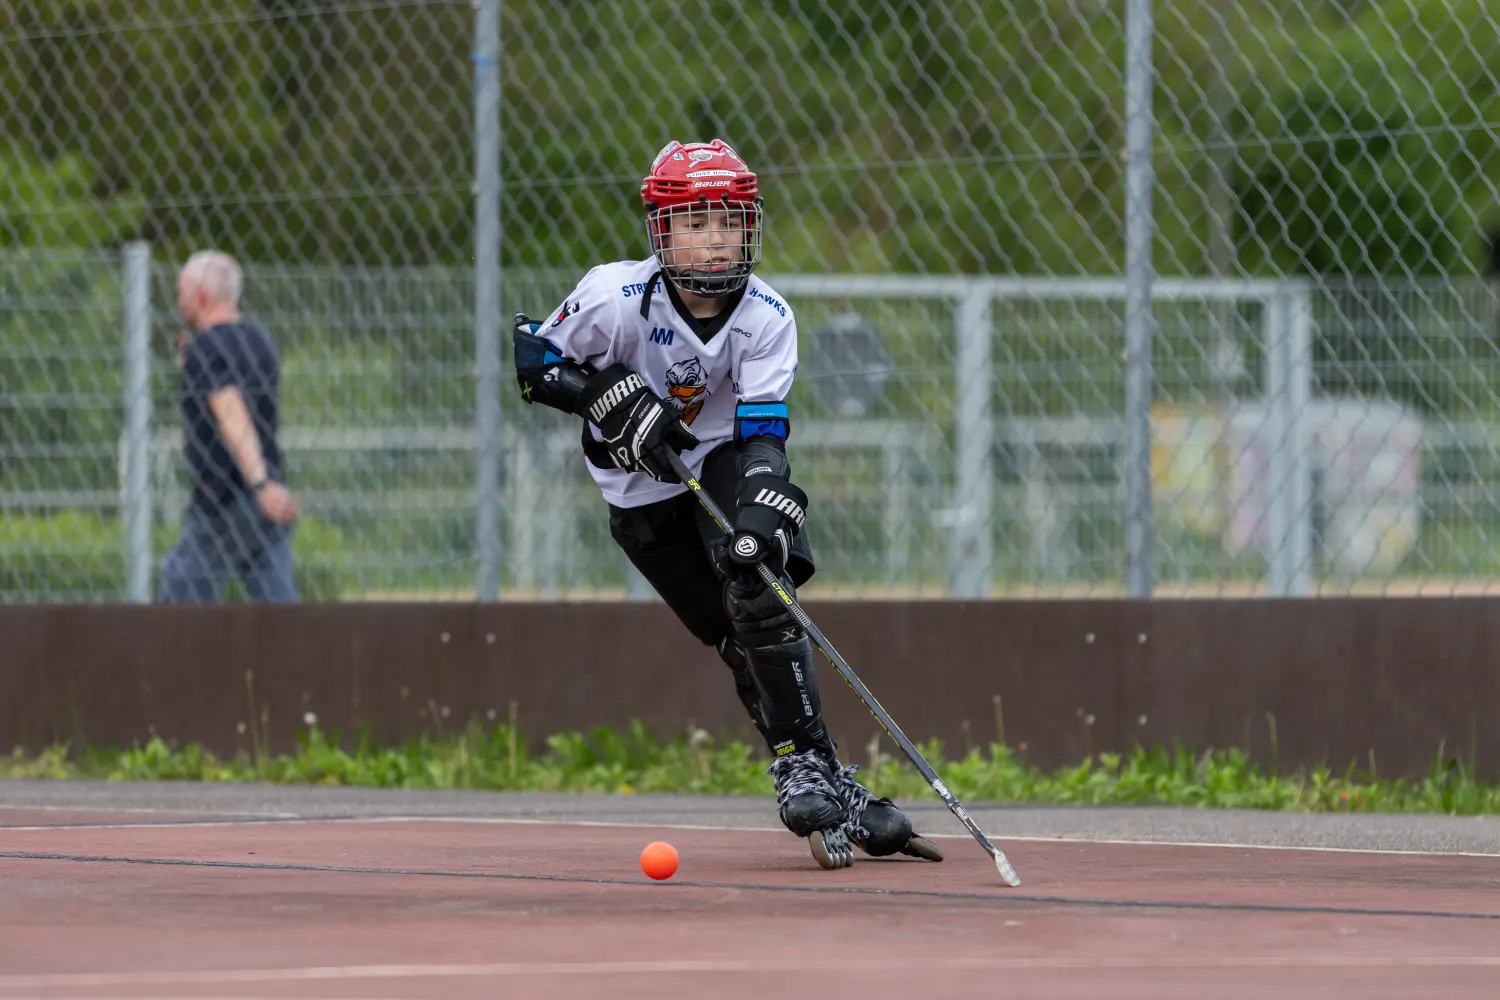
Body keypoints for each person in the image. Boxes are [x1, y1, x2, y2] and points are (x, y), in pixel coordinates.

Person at [511, 139, 941, 869]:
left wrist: (766, 501)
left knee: (757, 581)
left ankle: (803, 770)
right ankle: (828, 777)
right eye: (696, 222)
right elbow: (532, 360)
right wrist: (597, 395)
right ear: (662, 231)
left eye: (730, 221)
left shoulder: (767, 315)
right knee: (738, 640)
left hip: (722, 459)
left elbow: (765, 427)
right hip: (639, 493)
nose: (715, 239)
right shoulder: (615, 296)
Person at [159, 250, 300, 603]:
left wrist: (260, 482)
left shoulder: (207, 347)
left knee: (179, 596)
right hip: (265, 506)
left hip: (226, 498)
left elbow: (230, 411)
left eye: (182, 293)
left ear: (202, 297)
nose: (178, 302)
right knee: (279, 609)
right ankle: (305, 658)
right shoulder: (259, 340)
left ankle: (166, 659)